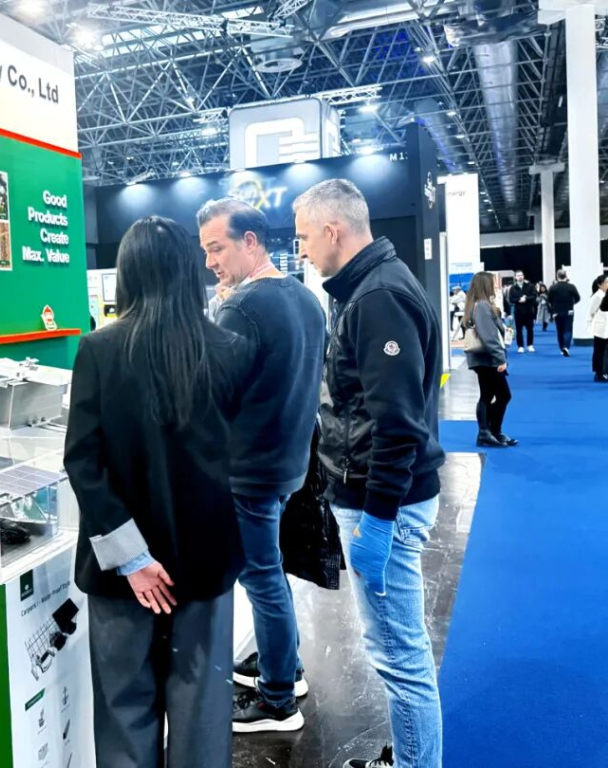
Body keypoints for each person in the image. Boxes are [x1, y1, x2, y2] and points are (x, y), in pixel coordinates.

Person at [64, 216, 255, 768]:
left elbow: (83, 461)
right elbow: (243, 462)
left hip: (119, 573)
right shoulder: (231, 349)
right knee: (202, 709)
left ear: (127, 272)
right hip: (204, 563)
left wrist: (134, 559)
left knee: (123, 709)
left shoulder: (98, 350)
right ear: (188, 271)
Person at [294, 179, 445, 768]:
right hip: (379, 497)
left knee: (399, 656)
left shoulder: (377, 297)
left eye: (306, 237)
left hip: (387, 504)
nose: (303, 249)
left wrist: (378, 520)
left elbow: (398, 425)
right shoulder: (366, 289)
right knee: (395, 648)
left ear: (333, 231)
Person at [196, 198, 327, 733]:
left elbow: (211, 394)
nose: (210, 262)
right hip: (290, 463)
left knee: (263, 578)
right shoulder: (307, 299)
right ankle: (285, 667)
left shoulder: (242, 308)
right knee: (271, 572)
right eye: (206, 251)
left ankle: (277, 701)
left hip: (249, 469)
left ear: (250, 242)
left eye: (217, 248)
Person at [464, 273, 517, 447]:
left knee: (488, 395)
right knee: (502, 395)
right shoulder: (482, 306)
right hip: (487, 359)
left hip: (485, 359)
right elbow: (489, 337)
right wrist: (500, 358)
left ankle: (490, 432)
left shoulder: (478, 304)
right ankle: (488, 431)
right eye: (493, 281)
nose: (495, 284)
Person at [548, 269, 582, 355]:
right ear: (566, 276)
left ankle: (562, 347)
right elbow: (578, 298)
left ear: (557, 276)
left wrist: (554, 306)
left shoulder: (553, 287)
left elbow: (549, 300)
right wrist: (572, 303)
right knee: (568, 330)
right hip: (569, 311)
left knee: (559, 331)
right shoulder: (571, 286)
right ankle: (566, 347)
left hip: (557, 312)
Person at [508, 269, 537, 352]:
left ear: (523, 276)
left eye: (521, 275)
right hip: (518, 312)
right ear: (515, 277)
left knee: (530, 329)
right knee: (519, 330)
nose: (520, 277)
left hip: (528, 311)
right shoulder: (513, 288)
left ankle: (530, 345)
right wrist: (518, 300)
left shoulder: (530, 286)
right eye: (518, 275)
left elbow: (534, 296)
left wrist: (526, 298)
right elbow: (511, 299)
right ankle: (520, 346)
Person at [588, 275, 608, 382]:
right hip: (600, 326)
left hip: (605, 325)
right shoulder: (597, 296)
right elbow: (591, 311)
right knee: (599, 351)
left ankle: (603, 371)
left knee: (604, 350)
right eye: (606, 282)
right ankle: (599, 373)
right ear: (600, 284)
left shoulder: (605, 295)